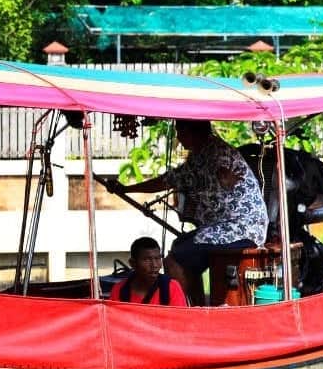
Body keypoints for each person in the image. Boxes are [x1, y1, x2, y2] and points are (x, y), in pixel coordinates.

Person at [112, 120, 267, 303]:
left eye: (181, 131)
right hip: (227, 227)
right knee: (179, 246)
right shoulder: (200, 155)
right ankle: (198, 307)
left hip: (241, 228)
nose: (178, 137)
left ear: (195, 131)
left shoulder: (216, 153)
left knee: (175, 259)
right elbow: (168, 180)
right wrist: (127, 189)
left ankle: (184, 312)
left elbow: (217, 188)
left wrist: (127, 189)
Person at [109, 236, 189, 306]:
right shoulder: (119, 290)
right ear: (133, 263)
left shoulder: (171, 287)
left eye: (158, 258)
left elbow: (180, 321)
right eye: (147, 260)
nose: (154, 265)